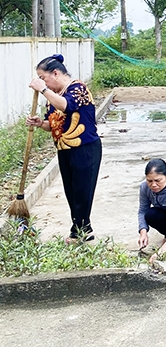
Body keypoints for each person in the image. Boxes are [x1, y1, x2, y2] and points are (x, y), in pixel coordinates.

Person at [26, 54, 102, 243]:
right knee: (72, 191)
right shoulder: (53, 96)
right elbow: (54, 124)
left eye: (43, 78)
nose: (43, 83)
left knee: (83, 191)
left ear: (56, 73)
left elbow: (68, 106)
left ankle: (81, 232)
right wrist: (40, 123)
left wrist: (42, 89)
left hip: (85, 149)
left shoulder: (78, 89)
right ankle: (82, 230)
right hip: (64, 149)